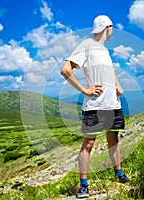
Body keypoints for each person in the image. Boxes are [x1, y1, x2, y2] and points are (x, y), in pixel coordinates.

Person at [60, 15, 129, 198]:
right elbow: (65, 69)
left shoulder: (104, 49)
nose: (113, 30)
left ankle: (120, 175)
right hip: (95, 105)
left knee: (113, 140)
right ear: (107, 27)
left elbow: (110, 70)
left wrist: (117, 84)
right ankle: (83, 186)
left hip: (112, 103)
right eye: (112, 26)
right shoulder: (86, 45)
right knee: (88, 144)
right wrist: (84, 89)